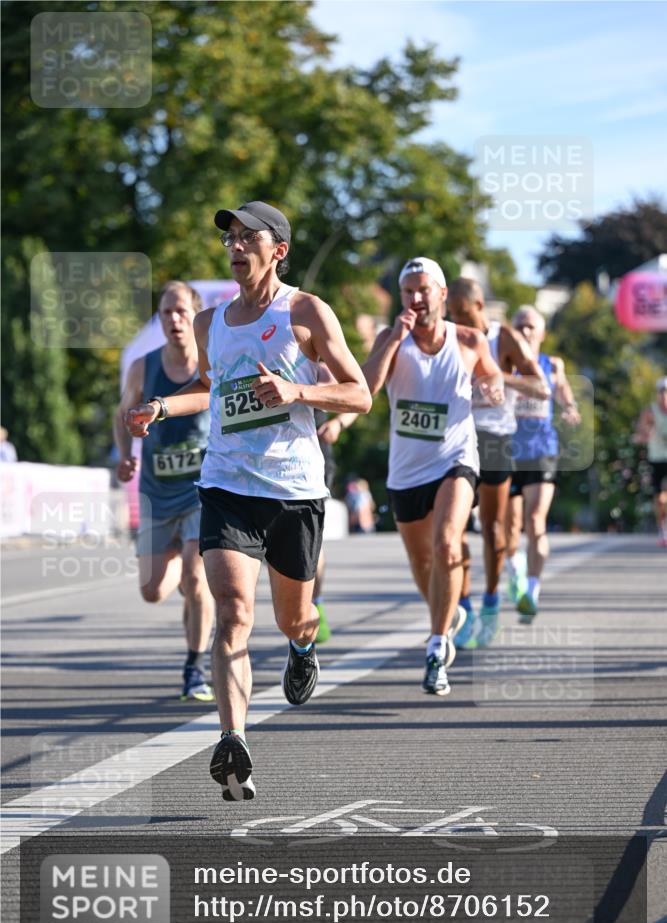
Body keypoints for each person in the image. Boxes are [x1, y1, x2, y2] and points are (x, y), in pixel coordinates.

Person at [126, 201, 371, 801]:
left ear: (278, 250)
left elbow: (360, 394)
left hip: (294, 491)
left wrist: (297, 389)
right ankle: (232, 738)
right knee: (233, 611)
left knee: (294, 616)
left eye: (248, 238)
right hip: (227, 485)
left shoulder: (306, 312)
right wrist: (160, 408)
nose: (235, 247)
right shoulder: (213, 323)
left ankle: (302, 645)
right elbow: (211, 390)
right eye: (229, 239)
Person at [362, 256, 504, 696]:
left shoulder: (469, 339)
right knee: (422, 562)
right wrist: (393, 339)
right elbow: (364, 390)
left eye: (424, 289)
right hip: (406, 470)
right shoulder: (391, 338)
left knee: (446, 543)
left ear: (442, 294)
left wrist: (492, 388)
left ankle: (437, 646)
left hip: (455, 459)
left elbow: (493, 379)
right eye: (408, 291)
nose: (416, 298)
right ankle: (446, 614)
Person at [114, 281, 215, 700]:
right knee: (153, 591)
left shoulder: (210, 364)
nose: (173, 320)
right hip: (157, 489)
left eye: (180, 311)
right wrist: (126, 454)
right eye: (165, 313)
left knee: (196, 578)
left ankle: (196, 666)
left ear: (196, 315)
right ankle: (183, 566)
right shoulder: (143, 365)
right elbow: (122, 414)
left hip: (201, 489)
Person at [446, 279, 550, 648]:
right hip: (458, 439)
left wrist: (497, 374)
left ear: (480, 305)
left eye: (463, 312)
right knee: (452, 531)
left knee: (492, 529)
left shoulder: (503, 337)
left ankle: (491, 603)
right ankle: (464, 607)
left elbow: (542, 388)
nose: (457, 320)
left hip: (494, 439)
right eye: (452, 314)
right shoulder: (448, 336)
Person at [505, 305, 581, 619]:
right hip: (506, 453)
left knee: (535, 521)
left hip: (541, 450)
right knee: (508, 528)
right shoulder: (503, 364)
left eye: (530, 326)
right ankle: (515, 570)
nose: (524, 331)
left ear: (541, 333)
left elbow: (563, 390)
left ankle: (532, 591)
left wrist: (570, 407)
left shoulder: (552, 364)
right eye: (519, 325)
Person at [313, 408, 360, 642]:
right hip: (251, 463)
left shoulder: (313, 369)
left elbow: (359, 392)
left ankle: (315, 604)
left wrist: (338, 423)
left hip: (310, 461)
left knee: (310, 540)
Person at [634, 375, 667, 548]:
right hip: (657, 459)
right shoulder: (650, 411)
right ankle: (662, 529)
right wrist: (645, 434)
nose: (664, 396)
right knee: (660, 499)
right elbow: (639, 434)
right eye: (661, 392)